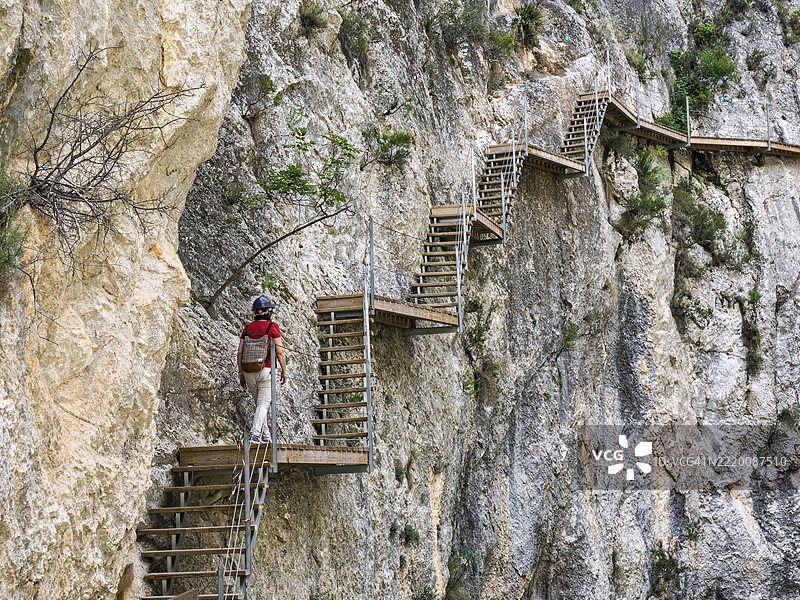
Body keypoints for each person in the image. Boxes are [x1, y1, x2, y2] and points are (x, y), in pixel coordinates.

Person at [237, 296, 287, 444]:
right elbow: (280, 351)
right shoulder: (272, 327)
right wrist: (284, 370)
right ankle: (255, 435)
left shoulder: (247, 328)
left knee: (259, 404)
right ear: (269, 313)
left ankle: (265, 436)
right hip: (266, 370)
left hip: (248, 370)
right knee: (263, 404)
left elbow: (239, 352)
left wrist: (241, 373)